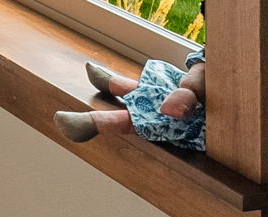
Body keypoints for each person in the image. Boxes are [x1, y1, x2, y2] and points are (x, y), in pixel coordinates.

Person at [54, 47, 207, 151]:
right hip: (196, 92)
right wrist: (192, 82)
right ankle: (123, 87)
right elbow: (205, 59)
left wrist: (189, 90)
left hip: (209, 122)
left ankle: (98, 122)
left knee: (175, 120)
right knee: (165, 82)